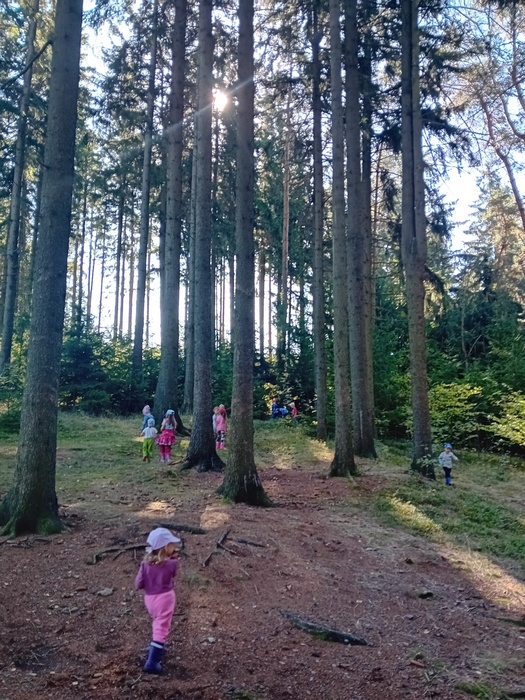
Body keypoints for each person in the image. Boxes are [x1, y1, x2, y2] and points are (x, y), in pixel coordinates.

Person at [135, 527, 181, 674]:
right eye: (172, 544)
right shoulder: (172, 563)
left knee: (157, 622)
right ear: (166, 547)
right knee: (161, 627)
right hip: (165, 598)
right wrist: (172, 558)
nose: (174, 547)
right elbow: (172, 574)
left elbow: (138, 584)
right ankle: (152, 662)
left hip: (150, 599)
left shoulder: (145, 564)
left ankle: (156, 646)